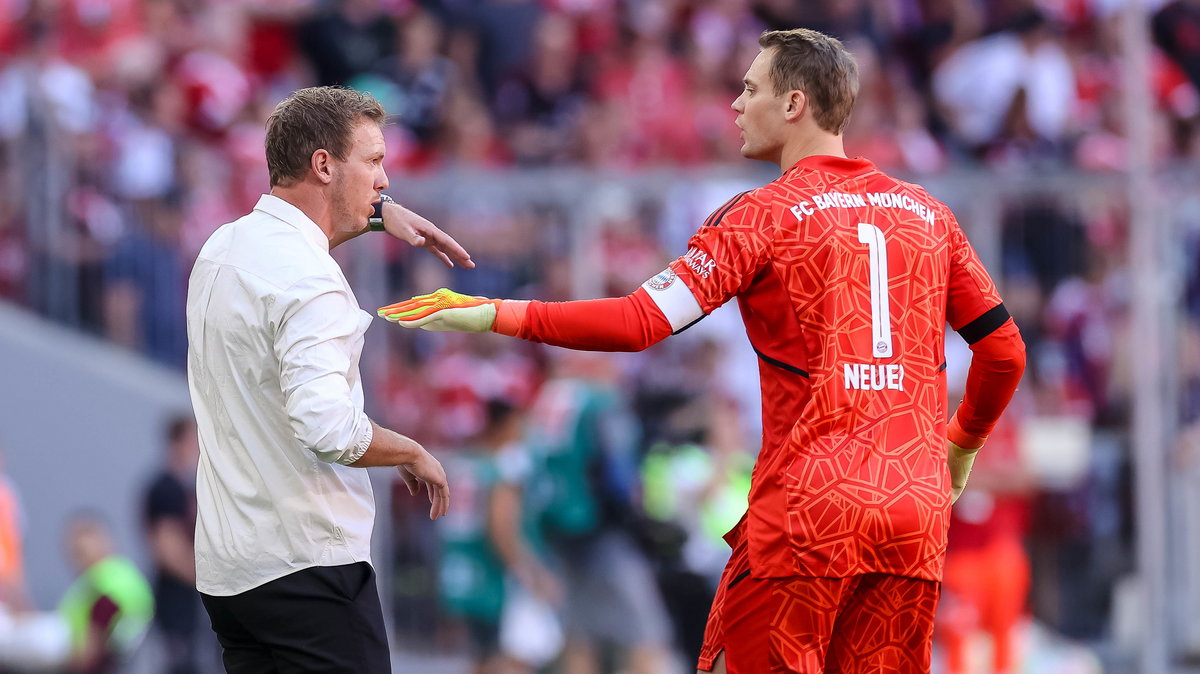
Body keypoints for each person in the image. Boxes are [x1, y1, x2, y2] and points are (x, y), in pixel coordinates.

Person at [380, 28, 1027, 673]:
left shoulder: (760, 216)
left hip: (811, 509)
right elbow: (1004, 352)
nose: (736, 106)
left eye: (749, 89)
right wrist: (960, 449)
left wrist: (495, 313)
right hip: (912, 508)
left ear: (795, 104)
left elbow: (638, 321)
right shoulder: (929, 213)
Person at [186, 85, 471, 672]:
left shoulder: (223, 246)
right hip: (308, 568)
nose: (385, 180)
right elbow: (325, 425)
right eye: (373, 161)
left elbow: (298, 231)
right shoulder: (312, 280)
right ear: (323, 164)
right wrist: (409, 451)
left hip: (231, 574)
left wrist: (375, 217)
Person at [140, 416, 202, 674]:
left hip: (188, 602)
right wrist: (211, 579)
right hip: (172, 602)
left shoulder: (186, 489)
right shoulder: (165, 488)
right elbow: (167, 550)